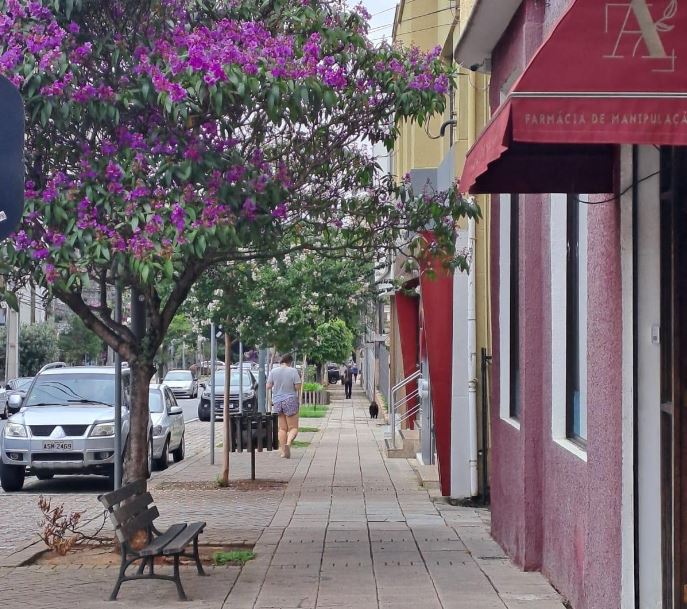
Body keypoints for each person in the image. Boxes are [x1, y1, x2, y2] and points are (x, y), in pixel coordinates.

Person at [266, 353, 302, 458]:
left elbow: (268, 386)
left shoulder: (273, 371)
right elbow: (298, 386)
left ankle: (283, 452)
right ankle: (289, 443)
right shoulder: (293, 371)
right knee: (293, 428)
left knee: (282, 428)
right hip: (290, 400)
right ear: (290, 362)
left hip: (277, 401)